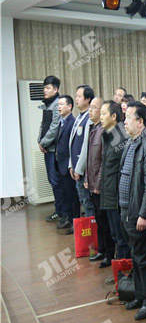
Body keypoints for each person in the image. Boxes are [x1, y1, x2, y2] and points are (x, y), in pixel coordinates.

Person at [119, 101, 146, 320]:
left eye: (128, 118)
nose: (124, 121)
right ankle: (140, 294)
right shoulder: (131, 142)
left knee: (144, 258)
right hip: (126, 210)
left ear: (140, 122)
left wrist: (144, 214)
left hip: (138, 213)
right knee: (135, 256)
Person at [100, 101, 130, 273]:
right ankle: (120, 273)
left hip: (117, 197)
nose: (101, 117)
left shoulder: (121, 137)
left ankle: (124, 274)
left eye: (104, 113)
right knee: (115, 235)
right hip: (109, 194)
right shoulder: (109, 135)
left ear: (113, 116)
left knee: (121, 238)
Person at [84, 97, 112, 266]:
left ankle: (109, 253)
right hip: (91, 183)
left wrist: (99, 184)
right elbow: (90, 159)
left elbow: (103, 161)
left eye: (95, 108)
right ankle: (101, 250)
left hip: (100, 186)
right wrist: (87, 179)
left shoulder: (103, 132)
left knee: (105, 221)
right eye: (91, 107)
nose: (91, 110)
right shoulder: (92, 129)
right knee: (99, 221)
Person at [70, 85, 96, 220]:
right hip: (76, 167)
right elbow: (72, 143)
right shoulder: (79, 117)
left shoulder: (89, 118)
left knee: (87, 202)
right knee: (82, 200)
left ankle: (91, 230)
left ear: (88, 99)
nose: (76, 99)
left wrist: (79, 168)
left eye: (79, 96)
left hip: (84, 170)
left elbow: (86, 146)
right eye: (76, 96)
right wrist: (71, 164)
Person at [54, 96, 80, 232]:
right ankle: (69, 219)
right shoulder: (62, 122)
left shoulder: (72, 122)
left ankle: (75, 222)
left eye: (62, 104)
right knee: (65, 194)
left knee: (73, 196)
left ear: (69, 107)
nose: (59, 107)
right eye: (58, 105)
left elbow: (73, 147)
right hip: (61, 164)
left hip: (68, 166)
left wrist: (71, 165)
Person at [38, 76, 62, 222]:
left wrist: (43, 143)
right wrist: (39, 141)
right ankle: (59, 210)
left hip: (54, 151)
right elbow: (43, 125)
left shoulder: (58, 104)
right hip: (47, 149)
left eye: (48, 88)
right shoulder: (48, 104)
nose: (45, 91)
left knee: (56, 182)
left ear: (56, 89)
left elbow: (54, 128)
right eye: (44, 88)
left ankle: (61, 212)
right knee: (52, 181)